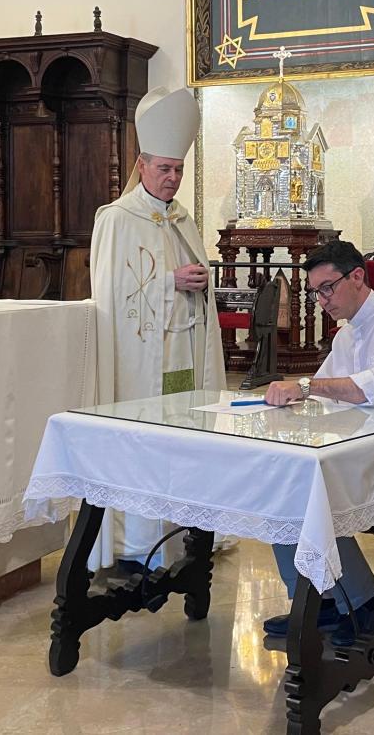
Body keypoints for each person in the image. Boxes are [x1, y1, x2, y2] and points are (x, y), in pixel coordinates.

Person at [260, 240, 374, 647]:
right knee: (282, 481)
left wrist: (305, 386)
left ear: (357, 277)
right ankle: (318, 599)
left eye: (327, 288)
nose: (322, 300)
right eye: (315, 293)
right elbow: (321, 396)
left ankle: (367, 603)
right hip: (363, 449)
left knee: (312, 492)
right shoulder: (346, 336)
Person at [89, 86, 226, 569]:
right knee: (148, 442)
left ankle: (186, 532)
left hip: (184, 351)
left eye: (179, 170)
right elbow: (111, 296)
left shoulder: (183, 220)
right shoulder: (117, 219)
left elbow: (196, 286)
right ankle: (138, 541)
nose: (172, 178)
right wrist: (170, 282)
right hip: (141, 360)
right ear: (142, 165)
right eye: (164, 169)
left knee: (184, 440)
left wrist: (200, 283)